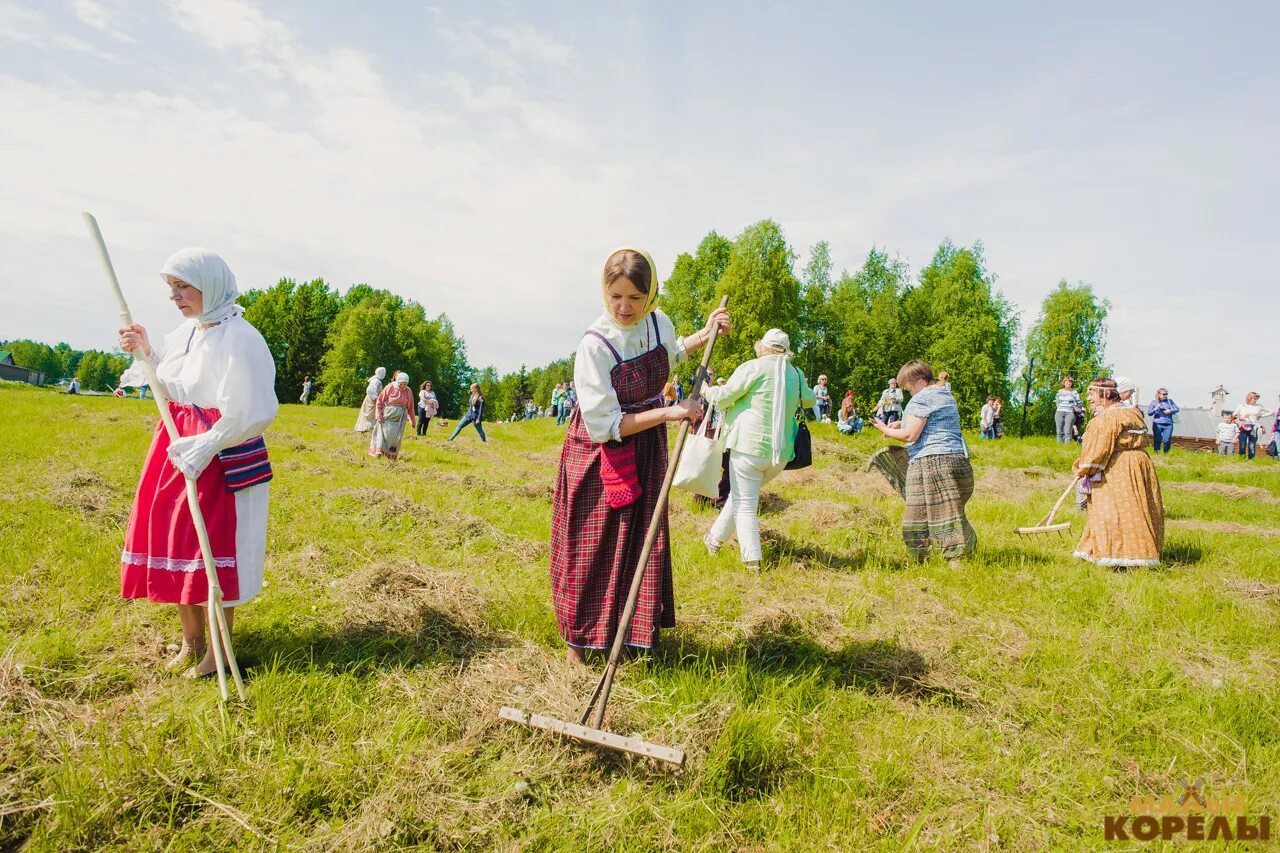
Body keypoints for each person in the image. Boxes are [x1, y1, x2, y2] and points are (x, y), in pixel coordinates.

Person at [550, 247, 729, 665]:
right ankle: (581, 644)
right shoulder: (595, 345)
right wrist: (671, 412)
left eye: (634, 297)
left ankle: (629, 635)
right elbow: (605, 424)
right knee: (593, 545)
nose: (624, 307)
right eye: (616, 297)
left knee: (638, 541)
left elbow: (673, 352)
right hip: (600, 454)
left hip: (646, 447)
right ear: (604, 293)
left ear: (649, 296)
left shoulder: (657, 323)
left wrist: (706, 333)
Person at [116, 248, 278, 678]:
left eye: (182, 285)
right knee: (178, 543)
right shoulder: (186, 334)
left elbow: (253, 409)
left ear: (211, 285)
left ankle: (218, 653)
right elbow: (168, 386)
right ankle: (191, 642)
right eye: (170, 287)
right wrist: (147, 352)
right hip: (175, 445)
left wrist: (208, 444)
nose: (174, 296)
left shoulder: (242, 339)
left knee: (213, 548)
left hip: (221, 451)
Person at [702, 329, 815, 570]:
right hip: (781, 454)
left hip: (748, 447)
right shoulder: (795, 372)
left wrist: (704, 389)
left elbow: (722, 398)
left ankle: (752, 563)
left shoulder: (753, 367)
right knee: (742, 497)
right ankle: (713, 539)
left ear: (763, 347)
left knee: (745, 504)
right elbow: (810, 400)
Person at [873, 360, 976, 563]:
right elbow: (933, 421)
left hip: (932, 463)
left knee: (924, 514)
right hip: (958, 461)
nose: (908, 391)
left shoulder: (921, 398)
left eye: (909, 386)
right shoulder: (946, 394)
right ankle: (933, 559)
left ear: (920, 380)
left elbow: (910, 435)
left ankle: (945, 558)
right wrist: (901, 422)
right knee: (946, 510)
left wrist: (885, 429)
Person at [1071, 377, 1163, 568]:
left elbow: (1097, 452)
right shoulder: (1132, 413)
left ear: (1105, 394)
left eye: (1092, 394)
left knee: (1113, 510)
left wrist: (1083, 468)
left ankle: (1122, 555)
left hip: (1119, 469)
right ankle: (1135, 552)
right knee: (1136, 509)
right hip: (1139, 463)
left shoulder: (1107, 418)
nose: (1089, 398)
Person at [369, 372, 415, 460]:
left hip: (400, 418)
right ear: (398, 382)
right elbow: (380, 401)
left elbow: (411, 407)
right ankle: (379, 450)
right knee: (382, 432)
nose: (403, 386)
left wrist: (412, 420)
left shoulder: (408, 391)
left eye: (405, 384)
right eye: (401, 384)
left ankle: (391, 456)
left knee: (395, 437)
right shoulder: (390, 387)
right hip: (387, 415)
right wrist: (378, 415)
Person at [1232, 391, 1273, 459]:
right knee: (1242, 444)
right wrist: (1239, 418)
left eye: (1256, 398)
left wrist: (1261, 415)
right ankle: (1241, 458)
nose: (1255, 400)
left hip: (1254, 427)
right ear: (1249, 398)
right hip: (1243, 427)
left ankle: (1251, 460)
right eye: (1254, 398)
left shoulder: (1259, 406)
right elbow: (1234, 415)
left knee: (1252, 445)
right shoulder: (1241, 406)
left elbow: (1271, 412)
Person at [1146, 388, 1179, 453]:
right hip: (1157, 424)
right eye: (1164, 394)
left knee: (1167, 440)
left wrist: (1170, 411)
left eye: (1166, 394)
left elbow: (1177, 409)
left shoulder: (1170, 401)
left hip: (1168, 424)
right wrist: (1156, 408)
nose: (1165, 395)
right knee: (1157, 439)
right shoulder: (1154, 402)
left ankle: (1166, 454)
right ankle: (1157, 453)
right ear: (1159, 394)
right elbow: (1149, 413)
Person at [354, 367, 386, 432]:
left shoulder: (376, 380)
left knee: (372, 414)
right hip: (372, 399)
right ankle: (368, 428)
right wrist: (375, 398)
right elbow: (370, 390)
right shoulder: (376, 380)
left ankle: (371, 428)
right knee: (370, 414)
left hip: (372, 398)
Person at [1054, 377, 1082, 444]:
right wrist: (1058, 407)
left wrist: (1077, 408)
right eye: (1067, 382)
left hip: (1070, 413)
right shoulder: (1059, 391)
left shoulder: (1074, 392)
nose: (1069, 384)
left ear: (1072, 383)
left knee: (1068, 431)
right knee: (1059, 430)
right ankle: (1059, 446)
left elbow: (1079, 403)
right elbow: (1056, 401)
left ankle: (1067, 447)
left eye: (1070, 382)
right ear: (1064, 383)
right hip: (1059, 412)